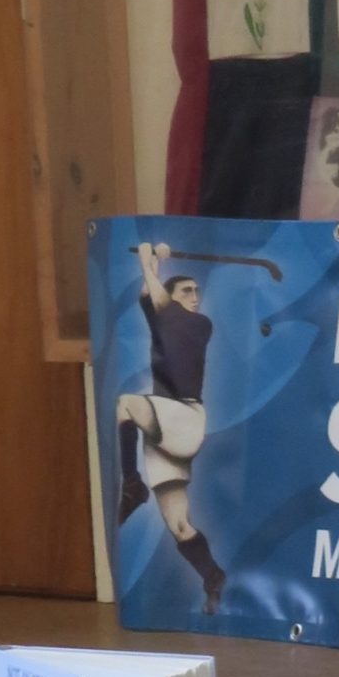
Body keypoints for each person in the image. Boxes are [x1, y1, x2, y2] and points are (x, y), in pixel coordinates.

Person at [118, 244, 229, 613]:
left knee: (125, 405)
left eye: (197, 291)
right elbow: (149, 297)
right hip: (164, 426)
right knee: (180, 525)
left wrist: (147, 262)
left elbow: (162, 303)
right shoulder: (167, 320)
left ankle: (132, 485)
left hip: (182, 417)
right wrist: (155, 262)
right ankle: (213, 576)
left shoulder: (199, 324)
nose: (195, 298)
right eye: (187, 291)